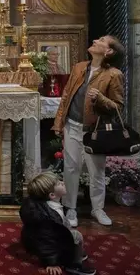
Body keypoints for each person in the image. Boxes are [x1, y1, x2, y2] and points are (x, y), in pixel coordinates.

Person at [52, 35, 126, 227]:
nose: (95, 41)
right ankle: (70, 209)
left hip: (95, 131)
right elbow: (66, 96)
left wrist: (101, 98)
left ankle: (98, 208)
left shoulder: (114, 75)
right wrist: (59, 123)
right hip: (72, 125)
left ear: (109, 51)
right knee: (71, 168)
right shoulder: (79, 67)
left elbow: (118, 106)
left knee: (96, 171)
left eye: (101, 40)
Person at [20, 172, 95, 275]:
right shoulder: (47, 217)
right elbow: (46, 239)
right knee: (76, 236)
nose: (63, 182)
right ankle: (73, 265)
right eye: (58, 184)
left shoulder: (51, 206)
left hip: (52, 238)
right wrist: (51, 262)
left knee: (74, 234)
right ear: (52, 195)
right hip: (44, 244)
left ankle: (77, 253)